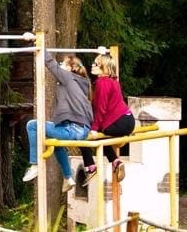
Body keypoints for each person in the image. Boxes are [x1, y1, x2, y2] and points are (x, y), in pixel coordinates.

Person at [22, 53, 93, 190]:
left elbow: (50, 63)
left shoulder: (68, 77)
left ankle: (35, 164)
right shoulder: (82, 83)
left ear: (70, 68)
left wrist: (39, 45)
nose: (60, 65)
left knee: (32, 125)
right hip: (82, 129)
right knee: (55, 141)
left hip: (73, 129)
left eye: (63, 64)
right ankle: (68, 177)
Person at [78, 53, 136, 184]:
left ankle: (91, 167)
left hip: (119, 122)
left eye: (96, 64)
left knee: (82, 134)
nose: (92, 65)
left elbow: (101, 109)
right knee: (101, 136)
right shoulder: (113, 81)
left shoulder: (102, 83)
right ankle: (116, 161)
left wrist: (94, 128)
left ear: (104, 67)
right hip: (127, 120)